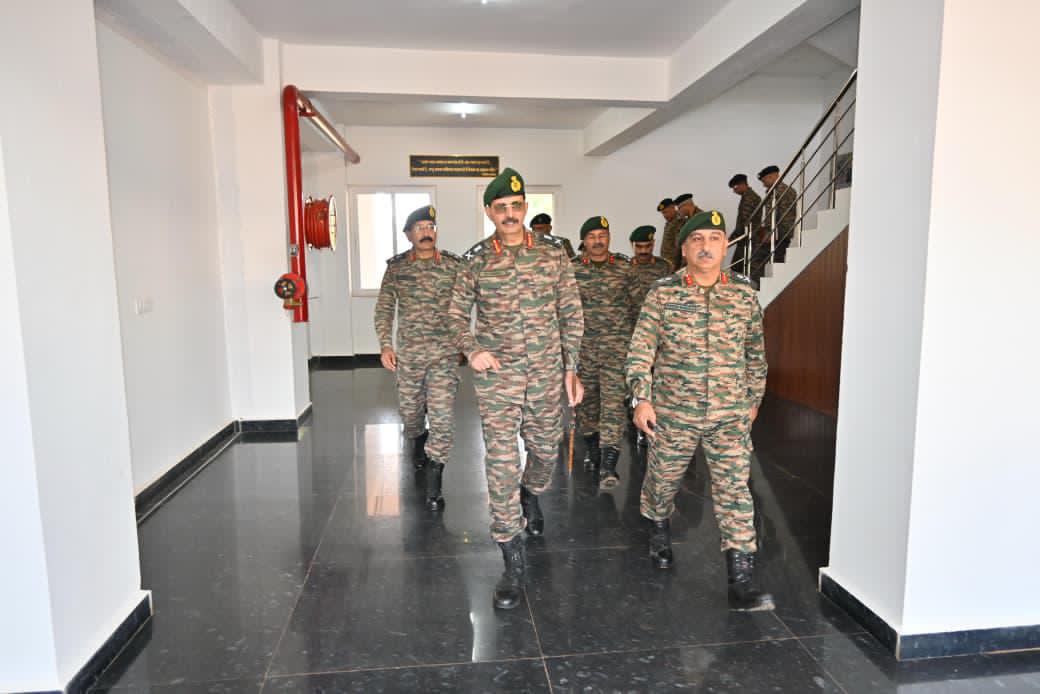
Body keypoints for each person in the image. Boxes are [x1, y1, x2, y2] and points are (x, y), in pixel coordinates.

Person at [448, 167, 584, 610]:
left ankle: (533, 491)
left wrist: (571, 368)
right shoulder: (475, 260)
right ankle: (512, 555)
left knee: (546, 451)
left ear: (525, 208)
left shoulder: (553, 255)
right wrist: (472, 350)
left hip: (546, 372)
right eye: (500, 207)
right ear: (489, 211)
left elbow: (572, 312)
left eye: (515, 206)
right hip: (498, 377)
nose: (509, 214)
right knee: (501, 460)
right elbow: (454, 316)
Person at [628, 209, 774, 612]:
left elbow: (755, 355)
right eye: (697, 239)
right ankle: (658, 526)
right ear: (684, 248)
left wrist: (753, 402)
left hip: (729, 413)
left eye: (714, 238)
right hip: (674, 412)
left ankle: (740, 577)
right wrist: (642, 398)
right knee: (663, 480)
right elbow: (641, 352)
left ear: (726, 245)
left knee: (735, 491)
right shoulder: (664, 293)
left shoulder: (743, 294)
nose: (706, 246)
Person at [374, 205, 462, 511]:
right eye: (420, 227)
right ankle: (416, 438)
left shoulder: (453, 265)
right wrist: (386, 344)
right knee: (409, 412)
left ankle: (435, 477)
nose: (426, 232)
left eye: (430, 227)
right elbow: (385, 308)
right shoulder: (397, 268)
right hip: (410, 355)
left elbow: (467, 304)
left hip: (444, 355)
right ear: (409, 234)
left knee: (442, 415)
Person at [572, 216, 639, 488]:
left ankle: (609, 466)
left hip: (616, 350)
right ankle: (592, 448)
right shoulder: (572, 270)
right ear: (584, 241)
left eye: (603, 235)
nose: (598, 241)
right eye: (592, 236)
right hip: (584, 351)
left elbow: (637, 308)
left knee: (613, 405)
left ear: (609, 238)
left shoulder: (625, 268)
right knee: (587, 406)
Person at [627, 224, 673, 447]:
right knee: (636, 378)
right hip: (632, 332)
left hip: (660, 334)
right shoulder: (626, 268)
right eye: (639, 247)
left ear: (653, 244)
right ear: (632, 246)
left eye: (647, 246)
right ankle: (637, 419)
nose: (643, 251)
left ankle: (654, 422)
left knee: (657, 379)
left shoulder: (665, 267)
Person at [756, 165, 797, 267]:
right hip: (783, 233)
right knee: (776, 261)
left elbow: (773, 214)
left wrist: (769, 232)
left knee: (761, 262)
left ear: (772, 176)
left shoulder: (776, 191)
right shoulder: (788, 190)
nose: (763, 185)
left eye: (764, 181)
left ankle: (761, 283)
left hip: (777, 235)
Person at [727, 174, 762, 275]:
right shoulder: (748, 196)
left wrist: (730, 241)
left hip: (748, 240)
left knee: (736, 270)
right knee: (739, 270)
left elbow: (743, 223)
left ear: (742, 184)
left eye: (735, 187)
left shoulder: (749, 198)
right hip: (746, 239)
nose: (734, 191)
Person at [671, 193, 701, 268]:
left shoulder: (701, 219)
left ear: (686, 206)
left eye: (679, 208)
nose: (679, 211)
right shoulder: (687, 221)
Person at [656, 198, 681, 269]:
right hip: (668, 263)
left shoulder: (679, 222)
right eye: (663, 213)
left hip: (675, 264)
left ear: (672, 208)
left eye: (665, 212)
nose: (664, 215)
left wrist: (676, 265)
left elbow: (679, 247)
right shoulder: (669, 222)